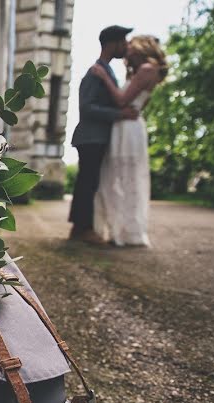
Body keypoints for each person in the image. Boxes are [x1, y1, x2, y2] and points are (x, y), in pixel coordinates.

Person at [89, 35, 168, 246]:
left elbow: (122, 100)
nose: (127, 49)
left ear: (141, 47)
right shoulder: (143, 71)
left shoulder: (147, 70)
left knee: (125, 178)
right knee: (121, 177)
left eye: (131, 45)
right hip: (126, 125)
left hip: (128, 128)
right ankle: (121, 231)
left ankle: (126, 233)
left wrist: (104, 77)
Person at [68, 25, 139, 244]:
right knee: (87, 182)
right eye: (124, 41)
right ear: (112, 43)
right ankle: (82, 229)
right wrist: (120, 114)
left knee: (90, 182)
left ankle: (80, 228)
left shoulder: (105, 70)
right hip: (90, 137)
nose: (126, 46)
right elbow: (87, 107)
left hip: (96, 136)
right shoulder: (95, 71)